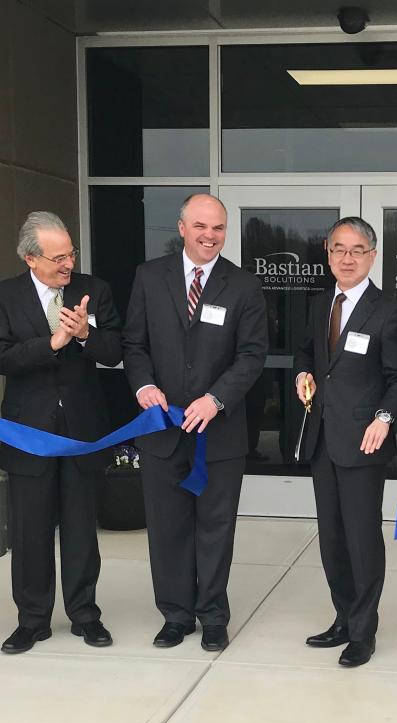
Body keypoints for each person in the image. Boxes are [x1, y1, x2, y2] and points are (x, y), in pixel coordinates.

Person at [123, 193, 268, 652]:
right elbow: (134, 344)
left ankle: (212, 615)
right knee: (166, 528)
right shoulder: (149, 277)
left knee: (215, 526)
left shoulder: (243, 285)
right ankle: (175, 614)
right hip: (161, 430)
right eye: (202, 226)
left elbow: (252, 355)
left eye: (219, 228)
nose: (210, 235)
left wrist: (216, 398)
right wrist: (143, 385)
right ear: (182, 228)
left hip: (219, 432)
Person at [0, 211, 122, 653]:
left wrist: (84, 335)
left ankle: (85, 614)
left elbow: (116, 349)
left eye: (71, 254)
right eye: (58, 257)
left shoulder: (93, 290)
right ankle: (32, 620)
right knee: (30, 531)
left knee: (82, 528)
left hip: (82, 431)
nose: (68, 264)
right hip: (29, 433)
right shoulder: (1, 297)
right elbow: (0, 357)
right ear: (30, 258)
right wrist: (52, 344)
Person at [294, 217, 397, 668]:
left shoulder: (389, 311)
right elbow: (309, 353)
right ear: (328, 253)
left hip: (364, 440)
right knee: (332, 539)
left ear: (373, 256)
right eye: (339, 249)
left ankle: (364, 633)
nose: (347, 258)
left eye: (357, 250)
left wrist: (385, 417)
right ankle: (343, 618)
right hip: (323, 437)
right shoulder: (321, 302)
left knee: (361, 538)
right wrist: (303, 372)